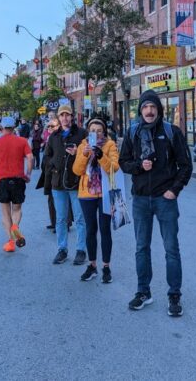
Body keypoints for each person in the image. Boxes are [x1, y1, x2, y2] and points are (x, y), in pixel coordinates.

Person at [119, 90, 192, 317]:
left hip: (164, 199)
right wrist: (139, 166)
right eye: (145, 107)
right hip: (141, 199)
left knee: (171, 248)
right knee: (141, 247)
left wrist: (174, 190)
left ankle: (174, 295)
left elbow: (185, 165)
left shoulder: (172, 132)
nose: (149, 111)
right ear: (140, 110)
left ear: (158, 109)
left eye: (152, 107)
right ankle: (143, 292)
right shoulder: (132, 133)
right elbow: (123, 163)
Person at [72, 117, 120, 283]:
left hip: (105, 193)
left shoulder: (110, 145)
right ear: (88, 132)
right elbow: (77, 170)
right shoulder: (82, 145)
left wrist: (100, 155)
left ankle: (106, 267)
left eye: (99, 131)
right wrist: (84, 155)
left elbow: (114, 168)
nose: (96, 133)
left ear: (104, 132)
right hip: (87, 193)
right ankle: (92, 265)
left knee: (105, 229)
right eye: (93, 130)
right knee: (90, 229)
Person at [44, 104, 87, 265]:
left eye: (67, 115)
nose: (64, 118)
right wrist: (54, 165)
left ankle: (81, 250)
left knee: (80, 218)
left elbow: (90, 153)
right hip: (58, 183)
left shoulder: (82, 134)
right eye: (61, 115)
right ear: (58, 118)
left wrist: (78, 153)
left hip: (76, 182)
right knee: (61, 219)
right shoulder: (54, 136)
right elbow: (47, 156)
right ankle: (62, 249)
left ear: (72, 116)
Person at [0, 116, 33, 253]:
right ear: (14, 127)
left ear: (2, 127)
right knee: (17, 209)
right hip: (18, 179)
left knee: (5, 212)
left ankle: (11, 242)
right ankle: (15, 227)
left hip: (2, 180)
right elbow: (30, 158)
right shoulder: (23, 141)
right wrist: (28, 174)